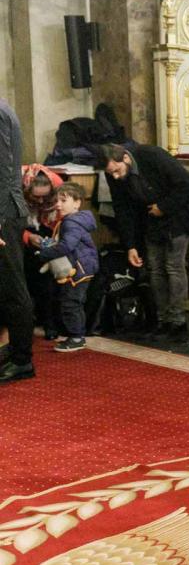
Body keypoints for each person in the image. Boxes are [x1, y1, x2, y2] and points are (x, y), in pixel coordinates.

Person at [98, 141, 189, 337]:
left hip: (178, 215)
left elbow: (186, 184)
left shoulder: (152, 155)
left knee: (173, 266)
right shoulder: (112, 173)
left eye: (117, 170)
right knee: (155, 269)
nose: (116, 176)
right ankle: (162, 319)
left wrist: (162, 207)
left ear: (126, 158)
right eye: (111, 173)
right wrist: (130, 246)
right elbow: (123, 209)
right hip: (151, 219)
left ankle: (178, 321)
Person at [27, 182, 97, 353]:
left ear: (77, 202)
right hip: (82, 267)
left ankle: (76, 337)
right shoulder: (74, 220)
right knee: (73, 302)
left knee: (71, 303)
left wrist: (44, 254)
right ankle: (76, 334)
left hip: (77, 269)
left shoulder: (71, 222)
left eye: (63, 200)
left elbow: (66, 246)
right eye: (57, 200)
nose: (58, 204)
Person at [0, 98, 36, 383]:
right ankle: (10, 349)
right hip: (6, 212)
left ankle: (22, 360)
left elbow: (2, 172)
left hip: (4, 214)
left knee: (13, 288)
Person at [21, 165, 63, 338]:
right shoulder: (14, 186)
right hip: (21, 229)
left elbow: (61, 219)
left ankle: (50, 324)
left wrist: (55, 239)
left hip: (49, 232)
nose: (40, 201)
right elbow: (8, 223)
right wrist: (28, 237)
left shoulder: (57, 188)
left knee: (47, 281)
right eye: (35, 197)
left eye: (44, 197)